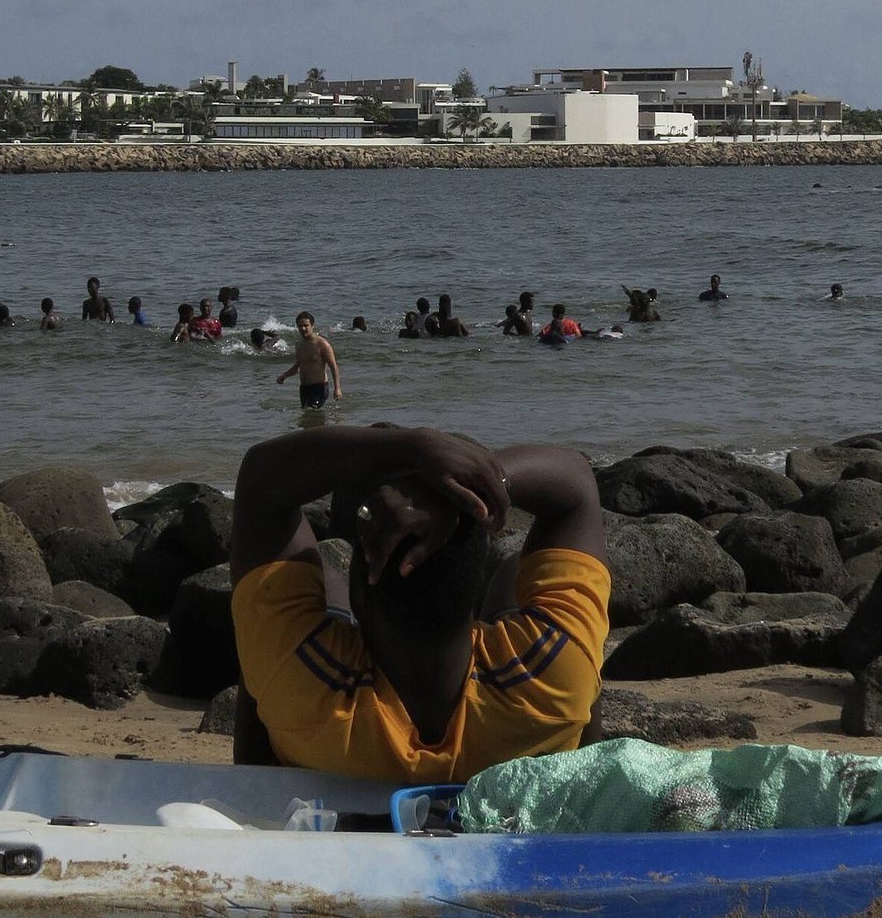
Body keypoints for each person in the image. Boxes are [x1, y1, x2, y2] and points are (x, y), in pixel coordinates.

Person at [229, 425, 609, 781]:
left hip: (331, 755)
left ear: (361, 599)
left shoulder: (301, 693)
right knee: (522, 582)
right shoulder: (552, 689)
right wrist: (471, 489)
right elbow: (576, 483)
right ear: (473, 595)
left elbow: (261, 480)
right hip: (508, 741)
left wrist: (411, 448)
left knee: (283, 611)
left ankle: (256, 785)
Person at [276, 311, 342, 408]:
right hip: (304, 388)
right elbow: (298, 366)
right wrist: (284, 375)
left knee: (311, 411)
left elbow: (333, 366)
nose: (303, 328)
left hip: (319, 387)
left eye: (306, 325)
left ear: (312, 326)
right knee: (306, 415)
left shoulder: (322, 344)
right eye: (300, 326)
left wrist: (337, 388)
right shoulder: (299, 345)